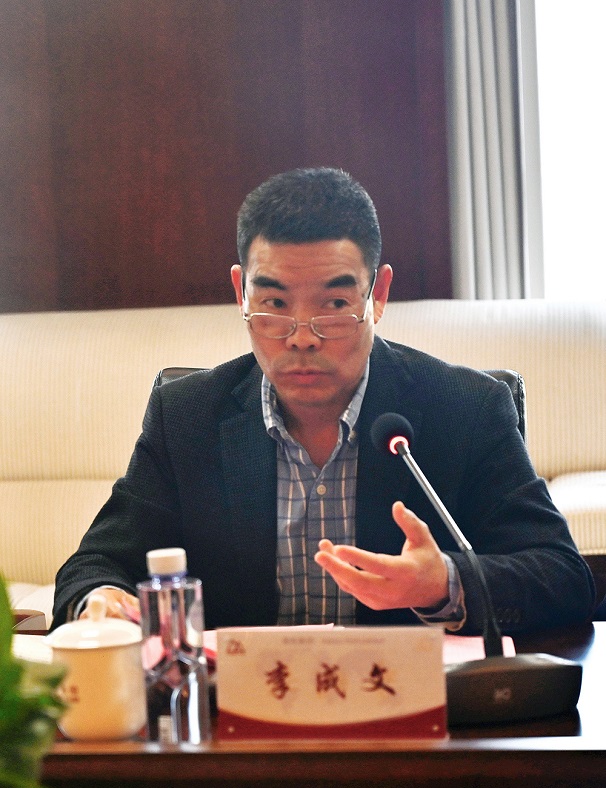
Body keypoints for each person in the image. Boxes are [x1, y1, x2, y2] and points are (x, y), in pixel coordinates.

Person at [52, 167, 594, 632]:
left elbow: (564, 577)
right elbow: (95, 565)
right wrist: (101, 600)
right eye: (275, 304)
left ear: (377, 295)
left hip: (409, 711)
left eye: (334, 303)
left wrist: (445, 583)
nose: (302, 336)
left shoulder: (466, 408)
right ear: (241, 293)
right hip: (242, 712)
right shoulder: (187, 417)